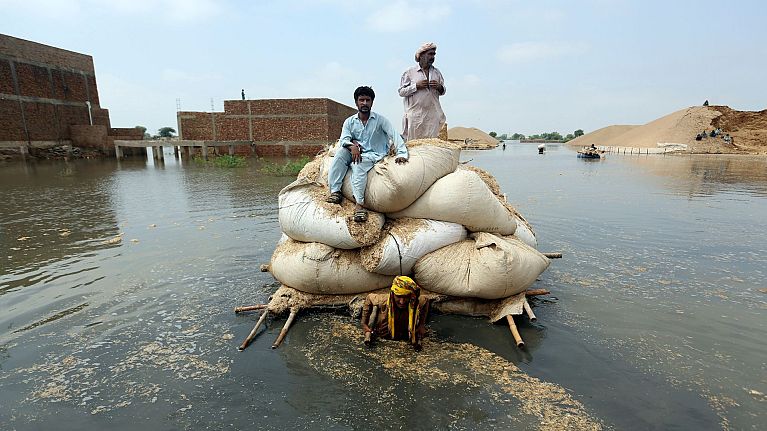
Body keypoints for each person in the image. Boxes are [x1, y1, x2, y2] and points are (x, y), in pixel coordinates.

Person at [326, 86, 408, 222]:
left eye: (367, 100)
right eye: (361, 100)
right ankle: (335, 192)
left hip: (374, 155)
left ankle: (359, 205)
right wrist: (352, 146)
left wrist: (402, 154)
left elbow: (394, 135)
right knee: (340, 154)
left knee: (358, 164)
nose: (364, 103)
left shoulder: (380, 121)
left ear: (372, 102)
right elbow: (344, 139)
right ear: (356, 102)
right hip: (355, 151)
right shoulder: (349, 122)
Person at [361, 276, 430, 351]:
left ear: (411, 296)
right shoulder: (383, 300)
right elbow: (369, 297)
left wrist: (421, 325)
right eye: (398, 297)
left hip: (404, 337)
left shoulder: (415, 302)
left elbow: (426, 300)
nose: (402, 302)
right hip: (384, 336)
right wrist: (364, 323)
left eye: (406, 297)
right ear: (392, 294)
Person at [398, 42, 446, 141]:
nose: (432, 57)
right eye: (430, 54)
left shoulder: (437, 73)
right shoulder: (410, 72)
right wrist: (416, 86)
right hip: (415, 116)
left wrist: (439, 87)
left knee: (431, 145)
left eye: (434, 54)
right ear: (421, 55)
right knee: (414, 144)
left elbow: (443, 91)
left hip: (433, 115)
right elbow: (401, 92)